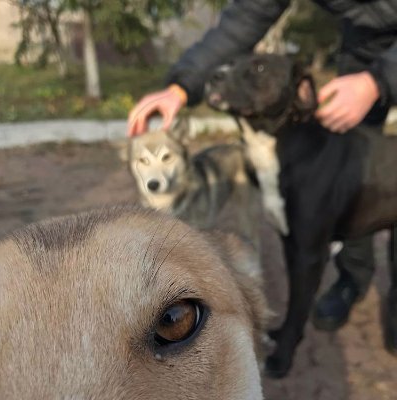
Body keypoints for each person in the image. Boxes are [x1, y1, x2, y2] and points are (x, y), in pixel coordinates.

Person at [128, 0, 397, 353]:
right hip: (365, 45)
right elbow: (246, 17)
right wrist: (182, 86)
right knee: (349, 179)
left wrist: (379, 81)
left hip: (381, 65)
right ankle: (352, 278)